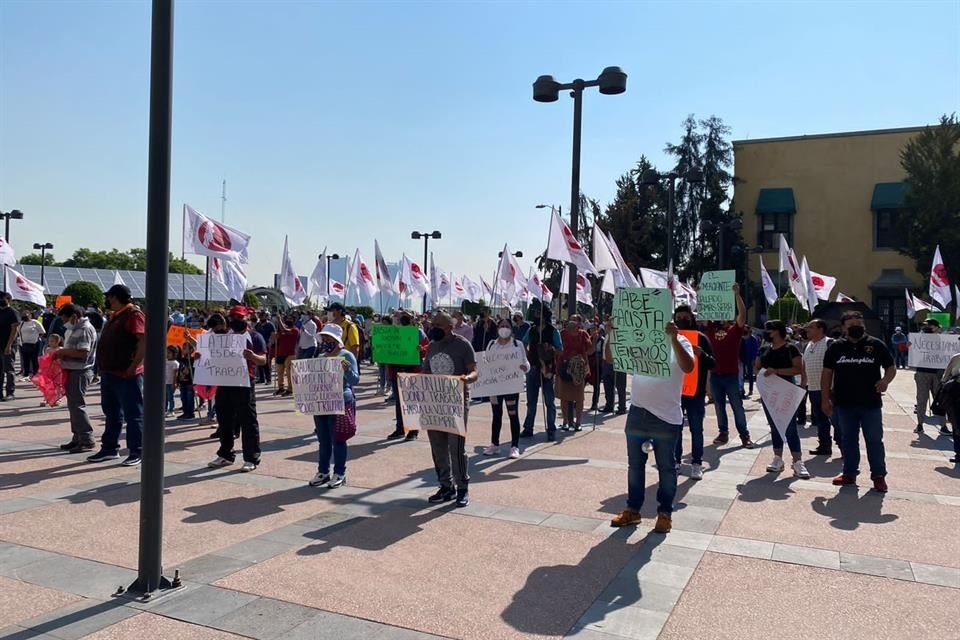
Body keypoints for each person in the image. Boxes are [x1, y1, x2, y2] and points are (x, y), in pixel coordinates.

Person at [610, 319, 695, 534]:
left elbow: (688, 366)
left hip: (666, 417)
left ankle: (664, 514)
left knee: (666, 468)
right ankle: (633, 510)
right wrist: (612, 334)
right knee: (635, 467)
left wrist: (674, 339)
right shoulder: (638, 339)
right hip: (638, 412)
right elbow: (612, 359)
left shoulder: (682, 341)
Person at [821, 310, 896, 492]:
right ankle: (849, 474)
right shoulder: (835, 348)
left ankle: (878, 476)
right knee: (848, 440)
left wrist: (885, 381)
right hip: (844, 403)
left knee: (874, 441)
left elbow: (891, 367)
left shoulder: (876, 345)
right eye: (852, 325)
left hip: (870, 403)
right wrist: (825, 399)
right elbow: (827, 374)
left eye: (859, 325)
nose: (857, 328)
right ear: (844, 327)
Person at [422, 312, 478, 507]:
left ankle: (462, 487)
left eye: (438, 324)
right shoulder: (432, 346)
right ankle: (446, 486)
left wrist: (468, 378)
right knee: (437, 446)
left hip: (456, 400)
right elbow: (426, 371)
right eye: (432, 323)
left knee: (456, 447)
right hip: (435, 403)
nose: (433, 327)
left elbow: (474, 370)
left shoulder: (463, 345)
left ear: (449, 327)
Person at [89, 285, 145, 466]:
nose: (107, 301)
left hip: (126, 374)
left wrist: (134, 366)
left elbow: (143, 341)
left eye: (109, 297)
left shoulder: (133, 315)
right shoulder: (115, 316)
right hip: (110, 372)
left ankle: (137, 451)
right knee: (112, 412)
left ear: (114, 297)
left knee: (133, 414)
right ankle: (109, 448)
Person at [208, 307, 268, 472]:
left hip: (244, 383)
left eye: (239, 317)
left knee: (248, 421)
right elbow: (208, 351)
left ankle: (251, 458)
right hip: (225, 381)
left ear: (246, 318)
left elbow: (263, 360)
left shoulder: (255, 336)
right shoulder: (223, 337)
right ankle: (226, 454)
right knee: (224, 419)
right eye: (233, 317)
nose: (236, 320)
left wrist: (252, 357)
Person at [756, 320, 810, 479]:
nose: (767, 333)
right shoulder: (765, 348)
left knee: (790, 427)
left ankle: (797, 461)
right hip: (769, 392)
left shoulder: (791, 348)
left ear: (778, 331)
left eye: (769, 330)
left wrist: (777, 371)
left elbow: (798, 369)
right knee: (774, 426)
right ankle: (778, 458)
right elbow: (757, 366)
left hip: (786, 391)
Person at [308, 323, 360, 489]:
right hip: (321, 402)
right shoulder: (320, 357)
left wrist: (347, 370)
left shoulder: (346, 355)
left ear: (336, 339)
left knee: (338, 439)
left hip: (340, 401)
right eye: (324, 337)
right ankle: (323, 472)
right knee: (323, 440)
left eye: (328, 337)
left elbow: (355, 380)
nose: (325, 340)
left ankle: (339, 473)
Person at [704, 284, 755, 449]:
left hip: (731, 375)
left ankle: (744, 435)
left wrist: (737, 295)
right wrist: (702, 295)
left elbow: (743, 314)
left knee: (737, 406)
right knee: (719, 406)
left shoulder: (735, 330)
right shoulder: (711, 328)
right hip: (716, 374)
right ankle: (723, 432)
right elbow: (704, 313)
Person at [673, 305, 715, 480]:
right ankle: (676, 461)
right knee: (675, 429)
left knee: (696, 429)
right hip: (674, 392)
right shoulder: (671, 337)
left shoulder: (701, 338)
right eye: (679, 316)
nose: (682, 319)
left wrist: (702, 355)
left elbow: (713, 363)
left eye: (686, 317)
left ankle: (696, 463)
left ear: (692, 318)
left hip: (695, 392)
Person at [54, 304, 97, 453]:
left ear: (74, 316)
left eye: (65, 319)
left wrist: (63, 351)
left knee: (77, 405)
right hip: (73, 370)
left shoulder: (84, 329)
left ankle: (86, 439)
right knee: (73, 405)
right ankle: (77, 437)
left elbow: (83, 353)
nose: (64, 322)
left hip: (80, 371)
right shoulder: (75, 329)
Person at [483, 318, 528, 458]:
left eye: (507, 326)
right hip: (495, 386)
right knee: (496, 415)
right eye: (501, 325)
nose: (504, 328)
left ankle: (514, 446)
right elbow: (486, 362)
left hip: (511, 386)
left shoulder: (517, 344)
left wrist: (524, 367)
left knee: (513, 415)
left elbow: (525, 362)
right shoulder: (492, 344)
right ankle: (494, 444)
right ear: (497, 328)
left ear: (511, 328)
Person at [521, 306, 563, 440]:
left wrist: (549, 349)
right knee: (531, 401)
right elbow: (524, 343)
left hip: (548, 370)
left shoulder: (553, 331)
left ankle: (551, 429)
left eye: (541, 314)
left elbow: (560, 348)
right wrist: (528, 356)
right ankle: (528, 428)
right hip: (533, 368)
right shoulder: (532, 330)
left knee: (549, 402)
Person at [803, 319, 839, 456]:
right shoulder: (808, 345)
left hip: (829, 389)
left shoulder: (830, 343)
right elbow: (804, 366)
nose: (807, 330)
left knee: (836, 420)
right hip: (813, 388)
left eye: (810, 327)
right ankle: (824, 445)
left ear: (820, 329)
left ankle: (844, 447)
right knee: (820, 420)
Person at [556, 316, 592, 431]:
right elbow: (557, 349)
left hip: (578, 369)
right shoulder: (562, 334)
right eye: (572, 319)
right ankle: (565, 421)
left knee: (579, 397)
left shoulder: (583, 334)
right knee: (564, 397)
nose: (574, 322)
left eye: (576, 320)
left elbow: (589, 350)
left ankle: (578, 422)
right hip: (565, 367)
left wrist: (595, 339)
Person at [912, 318, 946, 435]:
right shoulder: (919, 338)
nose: (927, 328)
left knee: (940, 400)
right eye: (926, 326)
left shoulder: (942, 339)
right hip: (922, 371)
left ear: (936, 328)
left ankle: (943, 425)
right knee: (921, 399)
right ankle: (920, 424)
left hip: (937, 373)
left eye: (930, 326)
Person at [601, 317, 628, 415]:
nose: (607, 326)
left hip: (617, 363)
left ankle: (622, 407)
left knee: (620, 386)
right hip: (606, 363)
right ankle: (609, 405)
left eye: (610, 324)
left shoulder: (621, 335)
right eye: (607, 324)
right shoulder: (607, 335)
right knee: (607, 386)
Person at [941, 352, 960, 463]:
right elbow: (945, 377)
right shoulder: (956, 358)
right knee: (956, 424)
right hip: (956, 395)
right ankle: (958, 453)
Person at [273, 314, 299, 396]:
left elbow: (285, 330)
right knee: (279, 372)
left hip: (290, 354)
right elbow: (278, 337)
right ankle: (281, 387)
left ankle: (290, 389)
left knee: (288, 372)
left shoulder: (295, 330)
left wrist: (279, 320)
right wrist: (275, 337)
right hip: (281, 353)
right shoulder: (282, 330)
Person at [0, 293, 19, 401]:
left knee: (9, 369)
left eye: (2, 298)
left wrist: (9, 345)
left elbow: (14, 330)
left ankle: (10, 392)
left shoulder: (12, 312)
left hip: (8, 346)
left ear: (8, 300)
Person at [254, 312, 275, 384]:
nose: (261, 318)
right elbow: (255, 333)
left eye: (263, 316)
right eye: (260, 316)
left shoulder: (270, 325)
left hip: (266, 345)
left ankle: (268, 379)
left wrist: (270, 343)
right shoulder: (258, 325)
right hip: (259, 346)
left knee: (266, 363)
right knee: (259, 362)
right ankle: (261, 378)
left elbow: (273, 335)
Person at [740, 325, 760, 398]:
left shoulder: (753, 339)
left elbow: (755, 350)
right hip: (742, 358)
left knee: (750, 375)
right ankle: (741, 390)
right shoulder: (742, 338)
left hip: (750, 359)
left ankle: (750, 389)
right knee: (742, 375)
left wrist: (754, 359)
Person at [165, 346, 180, 416]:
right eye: (166, 353)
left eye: (169, 353)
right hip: (165, 382)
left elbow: (175, 374)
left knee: (170, 397)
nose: (167, 354)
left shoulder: (175, 363)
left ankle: (171, 410)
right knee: (165, 397)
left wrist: (174, 383)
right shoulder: (165, 361)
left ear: (174, 354)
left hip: (170, 383)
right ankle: (164, 410)